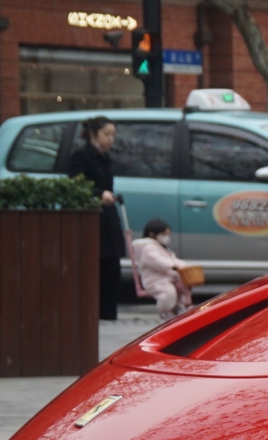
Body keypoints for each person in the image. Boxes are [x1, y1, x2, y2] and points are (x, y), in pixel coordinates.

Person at [61, 116, 122, 321]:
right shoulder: (81, 157)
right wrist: (98, 193)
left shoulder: (106, 158)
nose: (111, 139)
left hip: (107, 218)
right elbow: (75, 184)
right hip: (93, 219)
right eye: (107, 134)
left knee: (112, 266)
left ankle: (108, 312)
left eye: (113, 135)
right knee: (97, 265)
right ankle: (95, 312)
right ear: (94, 134)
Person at [131, 219, 187, 318]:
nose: (167, 238)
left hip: (166, 277)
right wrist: (171, 265)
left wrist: (183, 265)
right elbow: (156, 260)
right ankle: (165, 311)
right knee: (168, 292)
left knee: (183, 286)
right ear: (153, 235)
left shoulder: (160, 247)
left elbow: (172, 258)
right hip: (154, 280)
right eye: (164, 234)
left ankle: (179, 306)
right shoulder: (148, 248)